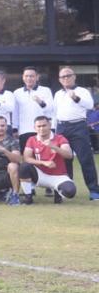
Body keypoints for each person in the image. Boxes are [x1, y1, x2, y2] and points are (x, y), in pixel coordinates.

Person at [53, 67, 99, 200]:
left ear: (74, 76)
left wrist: (75, 98)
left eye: (68, 75)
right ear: (59, 80)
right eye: (63, 77)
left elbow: (90, 105)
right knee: (64, 160)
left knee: (85, 159)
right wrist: (55, 131)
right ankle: (67, 190)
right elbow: (55, 113)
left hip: (78, 126)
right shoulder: (58, 94)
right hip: (61, 127)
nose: (66, 78)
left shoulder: (82, 91)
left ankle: (94, 190)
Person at [21, 116, 77, 204]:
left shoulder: (60, 138)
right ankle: (28, 196)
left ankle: (58, 191)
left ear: (50, 125)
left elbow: (69, 155)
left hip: (58, 175)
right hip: (40, 175)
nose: (41, 128)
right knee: (24, 166)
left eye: (44, 125)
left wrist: (54, 146)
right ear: (34, 128)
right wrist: (44, 162)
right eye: (39, 126)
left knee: (70, 192)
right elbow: (26, 158)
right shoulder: (31, 139)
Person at [13, 66, 52, 151]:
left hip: (41, 130)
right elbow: (15, 112)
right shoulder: (17, 92)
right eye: (26, 76)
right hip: (23, 131)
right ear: (23, 77)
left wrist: (40, 102)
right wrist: (15, 128)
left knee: (43, 154)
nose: (29, 78)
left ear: (37, 77)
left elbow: (50, 109)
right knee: (26, 156)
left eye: (31, 76)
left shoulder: (46, 90)